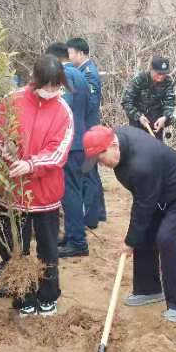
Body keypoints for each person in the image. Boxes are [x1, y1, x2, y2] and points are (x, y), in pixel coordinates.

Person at [82, 124, 176, 323]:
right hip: (158, 191)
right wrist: (135, 237)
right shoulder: (117, 142)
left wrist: (129, 242)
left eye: (100, 158)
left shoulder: (141, 165)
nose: (101, 164)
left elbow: (143, 206)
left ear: (113, 145)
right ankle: (149, 289)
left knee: (167, 240)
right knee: (144, 233)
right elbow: (143, 204)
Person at [0, 54, 73, 317]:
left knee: (47, 246)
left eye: (57, 87)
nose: (52, 92)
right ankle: (24, 295)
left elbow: (59, 151)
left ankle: (48, 295)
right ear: (35, 81)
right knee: (18, 247)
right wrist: (11, 158)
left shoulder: (63, 111)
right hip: (14, 192)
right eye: (48, 86)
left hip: (46, 192)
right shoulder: (13, 100)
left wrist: (31, 165)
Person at [46, 43, 91, 259]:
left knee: (69, 192)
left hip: (70, 143)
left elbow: (62, 104)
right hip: (79, 139)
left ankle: (77, 242)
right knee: (72, 191)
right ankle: (72, 235)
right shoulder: (79, 74)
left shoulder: (64, 74)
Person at [67, 37, 107, 229]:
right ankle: (98, 213)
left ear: (80, 53)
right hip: (85, 129)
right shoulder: (81, 71)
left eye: (71, 53)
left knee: (88, 173)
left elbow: (90, 105)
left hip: (88, 130)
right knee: (90, 172)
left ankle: (92, 217)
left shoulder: (89, 73)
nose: (69, 57)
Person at [121, 57, 175, 139]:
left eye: (163, 74)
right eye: (158, 73)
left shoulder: (168, 82)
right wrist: (138, 116)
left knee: (156, 147)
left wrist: (165, 117)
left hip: (156, 121)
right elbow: (126, 102)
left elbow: (170, 103)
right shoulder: (140, 79)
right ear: (151, 70)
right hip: (138, 119)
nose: (161, 77)